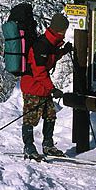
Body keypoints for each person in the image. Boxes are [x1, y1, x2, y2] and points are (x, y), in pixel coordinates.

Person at [20, 13, 73, 160]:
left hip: (43, 87)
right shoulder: (41, 45)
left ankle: (48, 145)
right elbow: (39, 72)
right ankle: (29, 147)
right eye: (63, 30)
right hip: (32, 86)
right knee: (30, 118)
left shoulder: (50, 43)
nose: (64, 33)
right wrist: (52, 89)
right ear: (58, 30)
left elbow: (51, 57)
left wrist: (63, 51)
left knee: (50, 115)